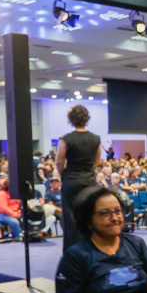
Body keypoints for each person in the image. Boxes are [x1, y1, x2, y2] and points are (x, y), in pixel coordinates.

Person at [56, 104, 102, 251]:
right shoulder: (96, 139)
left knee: (71, 219)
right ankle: (92, 249)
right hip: (89, 180)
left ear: (71, 120)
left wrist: (64, 175)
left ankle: (72, 252)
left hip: (71, 180)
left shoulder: (66, 139)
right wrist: (89, 171)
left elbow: (59, 161)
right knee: (89, 216)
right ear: (87, 119)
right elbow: (97, 161)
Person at [0, 175, 22, 240]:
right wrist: (15, 215)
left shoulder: (14, 193)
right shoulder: (1, 194)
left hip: (14, 213)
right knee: (14, 222)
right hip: (2, 215)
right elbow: (4, 208)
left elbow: (18, 205)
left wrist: (19, 212)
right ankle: (17, 237)